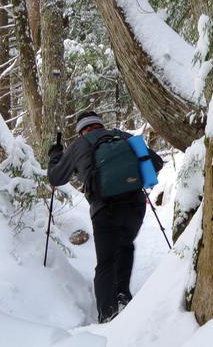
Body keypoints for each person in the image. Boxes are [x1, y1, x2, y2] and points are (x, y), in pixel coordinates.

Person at [47, 110, 164, 323]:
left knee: (106, 261)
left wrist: (55, 156)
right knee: (125, 245)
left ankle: (107, 314)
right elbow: (156, 162)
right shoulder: (123, 136)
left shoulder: (79, 145)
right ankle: (122, 296)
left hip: (105, 210)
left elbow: (55, 177)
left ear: (81, 130)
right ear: (100, 124)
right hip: (135, 206)